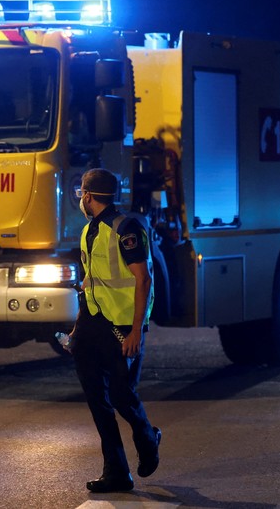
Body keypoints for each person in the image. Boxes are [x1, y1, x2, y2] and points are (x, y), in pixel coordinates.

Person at [67, 168, 162, 493]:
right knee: (97, 399)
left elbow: (143, 279)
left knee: (122, 396)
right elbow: (94, 281)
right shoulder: (88, 230)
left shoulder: (126, 228)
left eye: (82, 192)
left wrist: (137, 330)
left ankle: (147, 435)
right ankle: (117, 472)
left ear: (88, 196)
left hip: (122, 327)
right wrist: (78, 329)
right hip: (92, 323)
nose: (81, 197)